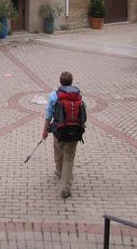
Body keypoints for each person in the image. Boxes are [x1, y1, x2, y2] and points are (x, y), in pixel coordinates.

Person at [41, 71, 85, 199]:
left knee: (59, 153)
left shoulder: (54, 95)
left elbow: (48, 114)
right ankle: (65, 188)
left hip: (59, 131)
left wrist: (45, 131)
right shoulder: (78, 95)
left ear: (60, 82)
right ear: (71, 82)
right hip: (75, 131)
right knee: (69, 158)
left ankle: (60, 172)